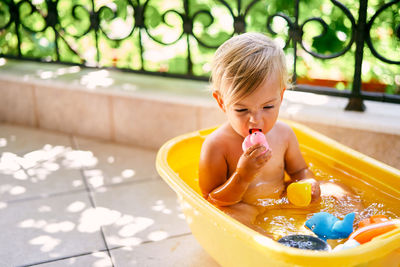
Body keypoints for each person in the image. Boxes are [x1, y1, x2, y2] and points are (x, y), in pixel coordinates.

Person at [199, 32, 361, 237]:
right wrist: (242, 176)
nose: (255, 120)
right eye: (241, 110)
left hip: (283, 197)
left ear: (281, 96)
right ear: (222, 102)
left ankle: (361, 226)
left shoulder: (284, 134)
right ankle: (273, 246)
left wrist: (308, 183)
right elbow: (212, 200)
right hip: (243, 206)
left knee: (338, 188)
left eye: (267, 106)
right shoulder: (216, 145)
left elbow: (299, 170)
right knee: (229, 218)